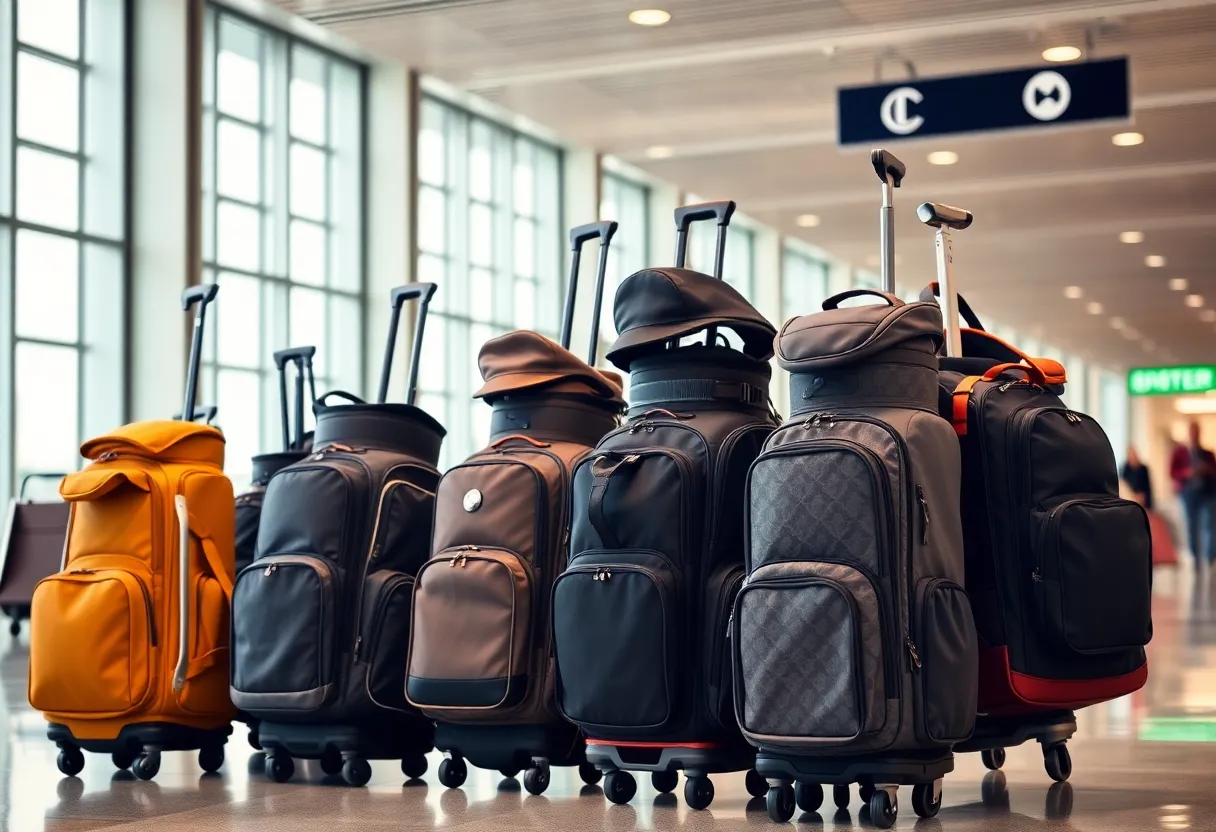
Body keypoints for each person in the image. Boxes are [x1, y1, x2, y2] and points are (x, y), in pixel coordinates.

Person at [1170, 422, 1216, 566]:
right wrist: (1188, 473)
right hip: (1188, 493)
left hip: (1207, 494)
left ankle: (1210, 557)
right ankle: (1195, 557)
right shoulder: (1179, 453)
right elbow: (1172, 472)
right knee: (1192, 526)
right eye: (1192, 431)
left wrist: (1206, 470)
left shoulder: (1207, 454)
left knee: (1209, 524)